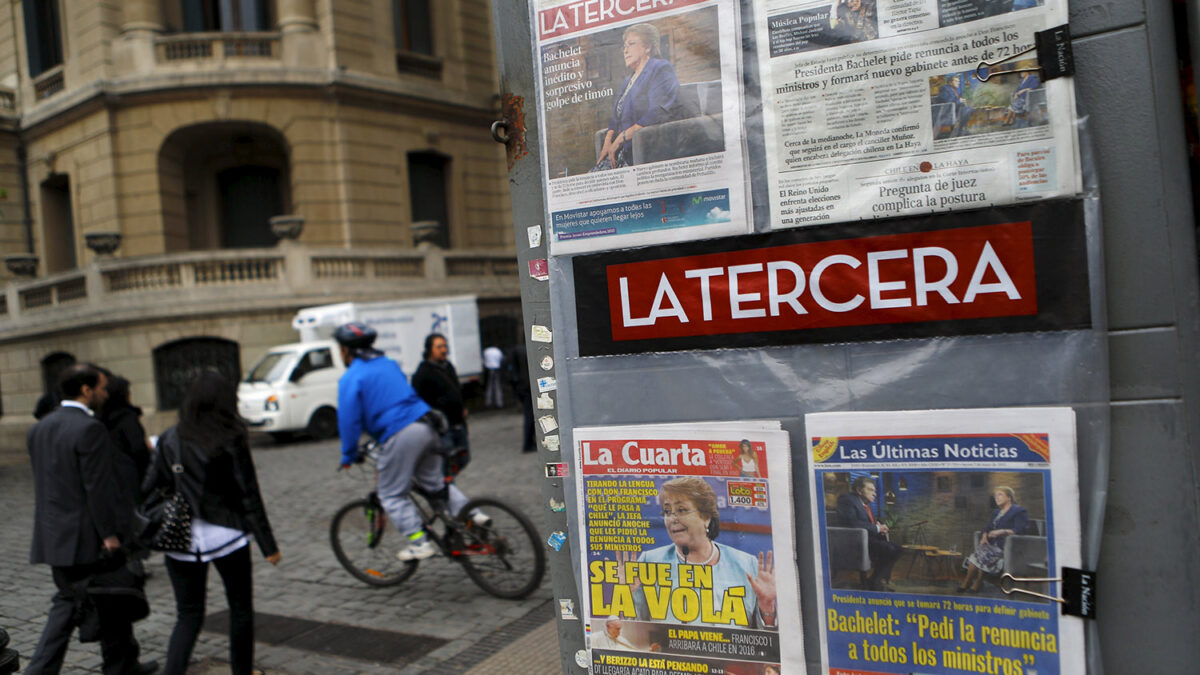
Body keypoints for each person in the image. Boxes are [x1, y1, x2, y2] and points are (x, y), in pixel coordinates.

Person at [142, 371, 280, 675]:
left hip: (180, 540)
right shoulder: (230, 436)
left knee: (188, 615)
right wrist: (268, 545)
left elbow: (149, 488)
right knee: (240, 608)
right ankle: (242, 671)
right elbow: (249, 493)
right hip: (226, 534)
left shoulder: (168, 438)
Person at [25, 363, 156, 675]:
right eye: (100, 386)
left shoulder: (40, 427)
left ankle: (125, 664)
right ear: (86, 391)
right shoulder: (89, 428)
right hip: (87, 538)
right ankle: (40, 671)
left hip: (54, 535)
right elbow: (97, 488)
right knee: (83, 601)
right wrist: (110, 535)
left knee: (109, 601)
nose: (105, 392)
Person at [334, 322, 485, 561]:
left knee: (391, 494)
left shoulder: (351, 378)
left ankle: (419, 542)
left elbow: (348, 421)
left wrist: (348, 454)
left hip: (400, 433)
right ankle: (475, 516)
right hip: (429, 425)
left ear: (345, 350)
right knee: (436, 483)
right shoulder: (388, 364)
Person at [625, 477, 777, 629]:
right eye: (667, 511)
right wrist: (627, 595)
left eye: (681, 510)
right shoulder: (650, 561)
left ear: (706, 517)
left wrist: (767, 607)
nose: (672, 519)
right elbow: (633, 635)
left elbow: (766, 644)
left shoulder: (747, 565)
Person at [592, 23, 679, 171]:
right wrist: (607, 141)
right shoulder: (628, 80)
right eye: (624, 46)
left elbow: (658, 111)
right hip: (620, 152)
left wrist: (620, 138)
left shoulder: (660, 68)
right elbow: (616, 116)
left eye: (631, 44)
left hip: (640, 151)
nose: (625, 50)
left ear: (647, 47)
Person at [836, 476, 903, 591]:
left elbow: (868, 522)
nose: (875, 494)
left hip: (868, 540)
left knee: (897, 548)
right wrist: (876, 528)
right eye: (871, 490)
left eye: (875, 491)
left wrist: (880, 526)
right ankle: (876, 582)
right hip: (854, 543)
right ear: (859, 490)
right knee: (891, 549)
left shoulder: (865, 504)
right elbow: (851, 523)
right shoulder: (847, 500)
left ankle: (874, 580)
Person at [958, 486, 1030, 593]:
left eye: (1000, 494)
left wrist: (1001, 531)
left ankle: (973, 582)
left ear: (1009, 497)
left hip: (1005, 546)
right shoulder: (997, 512)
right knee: (980, 553)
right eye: (995, 496)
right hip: (991, 545)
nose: (996, 498)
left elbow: (1020, 530)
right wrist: (984, 535)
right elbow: (988, 527)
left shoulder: (1019, 511)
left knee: (982, 553)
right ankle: (970, 582)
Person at [411, 333, 469, 461]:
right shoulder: (423, 373)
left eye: (445, 346)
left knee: (464, 458)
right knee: (446, 461)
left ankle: (446, 480)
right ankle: (445, 481)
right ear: (429, 350)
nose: (444, 350)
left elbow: (456, 389)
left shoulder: (448, 367)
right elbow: (419, 401)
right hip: (442, 428)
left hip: (458, 423)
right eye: (439, 347)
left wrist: (462, 406)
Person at [506, 344, 536, 453]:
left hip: (522, 387)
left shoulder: (517, 350)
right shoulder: (527, 351)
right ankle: (528, 443)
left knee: (529, 415)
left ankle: (529, 442)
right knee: (530, 416)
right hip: (527, 387)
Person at [482, 344, 505, 408]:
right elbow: (501, 359)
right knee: (497, 386)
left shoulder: (486, 351)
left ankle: (488, 402)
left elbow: (483, 359)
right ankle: (499, 403)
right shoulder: (498, 351)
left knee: (489, 386)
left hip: (488, 369)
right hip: (497, 369)